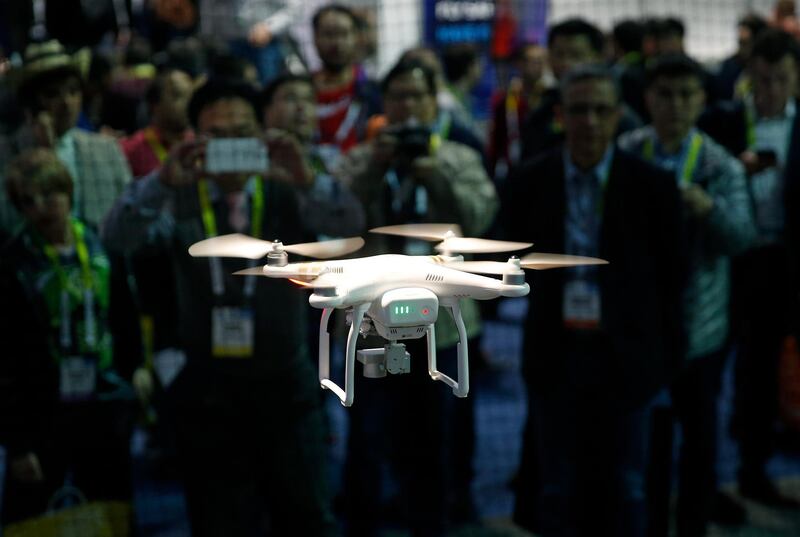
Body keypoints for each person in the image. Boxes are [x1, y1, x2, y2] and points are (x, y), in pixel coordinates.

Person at [103, 79, 339, 537]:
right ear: (195, 138)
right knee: (219, 520)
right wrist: (162, 181)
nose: (231, 146)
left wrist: (309, 181)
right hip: (209, 393)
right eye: (217, 135)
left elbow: (349, 230)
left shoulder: (287, 187)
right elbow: (116, 240)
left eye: (242, 133)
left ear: (261, 133)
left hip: (286, 387)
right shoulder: (176, 196)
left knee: (306, 515)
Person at [504, 65, 686, 537]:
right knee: (557, 486)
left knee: (628, 486)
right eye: (579, 110)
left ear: (617, 116)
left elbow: (673, 278)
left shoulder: (652, 185)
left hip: (628, 355)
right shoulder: (530, 180)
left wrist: (663, 358)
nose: (589, 121)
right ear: (561, 115)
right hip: (555, 351)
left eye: (601, 110)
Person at [334, 58, 497, 536]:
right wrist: (373, 169)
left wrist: (434, 175)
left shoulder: (458, 156)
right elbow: (337, 221)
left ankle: (435, 520)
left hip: (442, 326)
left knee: (436, 440)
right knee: (367, 439)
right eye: (398, 96)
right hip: (371, 327)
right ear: (385, 104)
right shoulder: (360, 158)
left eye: (416, 96)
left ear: (433, 101)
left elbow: (480, 219)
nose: (407, 107)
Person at [618, 54, 757, 537]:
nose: (674, 106)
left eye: (685, 95)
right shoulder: (627, 153)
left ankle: (694, 525)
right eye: (664, 95)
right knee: (645, 447)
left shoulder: (719, 164)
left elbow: (742, 237)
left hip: (701, 329)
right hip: (642, 328)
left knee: (699, 442)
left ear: (700, 100)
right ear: (648, 99)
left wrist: (706, 208)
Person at [0, 149, 134, 526]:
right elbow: (5, 358)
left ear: (68, 192)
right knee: (34, 518)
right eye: (29, 201)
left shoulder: (99, 242)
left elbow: (124, 316)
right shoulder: (13, 263)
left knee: (110, 511)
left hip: (104, 400)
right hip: (42, 408)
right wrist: (18, 443)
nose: (42, 206)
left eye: (50, 193)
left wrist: (134, 372)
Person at [699, 28, 800, 507]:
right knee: (711, 371)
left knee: (764, 372)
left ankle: (753, 472)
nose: (772, 90)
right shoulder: (723, 122)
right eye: (763, 79)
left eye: (781, 79)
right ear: (748, 78)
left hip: (784, 264)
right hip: (732, 260)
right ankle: (708, 481)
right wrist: (736, 172)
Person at [0, 39, 132, 234]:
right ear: (30, 103)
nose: (67, 102)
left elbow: (128, 219)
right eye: (52, 94)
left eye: (73, 91)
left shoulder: (105, 150)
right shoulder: (6, 154)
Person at [519, 18, 641, 160]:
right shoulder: (541, 115)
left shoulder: (618, 116)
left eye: (576, 55)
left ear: (597, 58)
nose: (566, 63)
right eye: (559, 54)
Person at [260, 73, 364, 239]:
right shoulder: (254, 160)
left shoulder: (329, 161)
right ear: (266, 110)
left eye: (309, 100)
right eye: (290, 98)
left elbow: (352, 224)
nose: (301, 107)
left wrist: (310, 182)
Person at [312, 4, 380, 158]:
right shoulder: (302, 91)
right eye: (328, 34)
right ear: (315, 38)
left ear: (356, 38)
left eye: (344, 34)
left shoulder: (374, 93)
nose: (336, 43)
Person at [196, 0, 303, 85]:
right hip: (225, 47)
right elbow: (207, 16)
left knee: (266, 87)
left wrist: (269, 27)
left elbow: (293, 9)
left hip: (264, 45)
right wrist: (211, 40)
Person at [487, 42, 549, 182]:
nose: (538, 66)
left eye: (541, 61)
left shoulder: (550, 98)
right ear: (519, 64)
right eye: (533, 61)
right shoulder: (506, 100)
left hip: (544, 169)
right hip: (514, 170)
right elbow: (496, 143)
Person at [120, 67, 194, 178]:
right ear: (154, 105)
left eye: (191, 96)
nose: (188, 104)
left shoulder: (198, 144)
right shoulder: (131, 151)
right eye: (177, 96)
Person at [711, 13, 768, 102]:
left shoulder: (768, 72)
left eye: (745, 43)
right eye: (740, 43)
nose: (741, 49)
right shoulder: (728, 67)